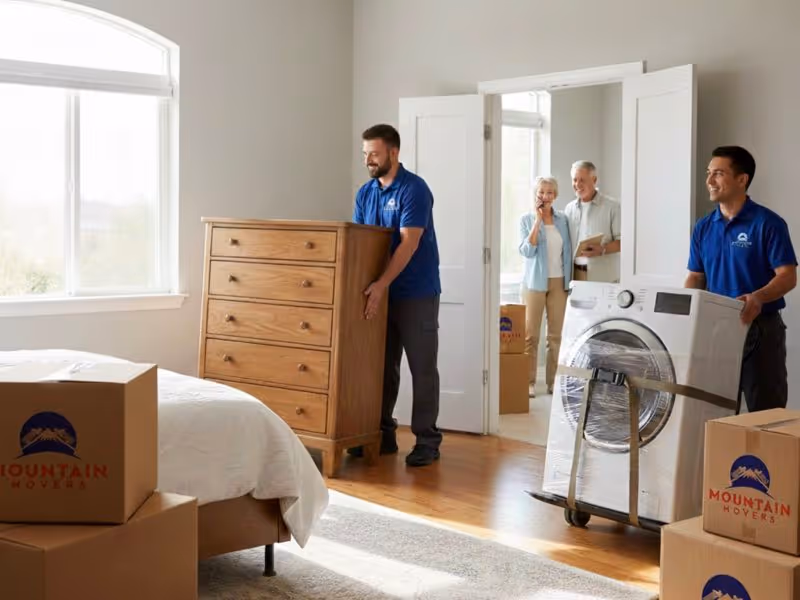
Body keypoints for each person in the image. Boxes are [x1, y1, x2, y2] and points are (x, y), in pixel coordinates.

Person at [349, 123, 442, 467]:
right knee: (381, 368)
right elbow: (361, 244)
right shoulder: (365, 193)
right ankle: (382, 435)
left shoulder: (414, 190)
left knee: (422, 368)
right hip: (380, 293)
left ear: (393, 152)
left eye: (373, 153)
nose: (368, 160)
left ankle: (427, 441)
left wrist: (381, 284)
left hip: (415, 293)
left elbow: (409, 243)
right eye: (364, 154)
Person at [685, 145, 797, 412]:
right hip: (715, 331)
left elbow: (788, 276)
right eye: (708, 173)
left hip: (761, 330)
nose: (709, 181)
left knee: (765, 413)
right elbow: (695, 277)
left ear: (742, 179)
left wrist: (758, 296)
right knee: (714, 410)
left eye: (718, 173)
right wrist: (685, 311)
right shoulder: (703, 226)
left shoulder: (768, 223)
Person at [518, 176, 572, 397]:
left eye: (549, 192)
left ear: (555, 196)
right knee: (531, 336)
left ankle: (552, 382)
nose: (545, 196)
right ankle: (529, 382)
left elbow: (567, 251)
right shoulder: (526, 219)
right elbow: (526, 251)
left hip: (559, 281)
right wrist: (537, 222)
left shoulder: (563, 220)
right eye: (541, 192)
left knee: (556, 336)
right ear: (536, 195)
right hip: (534, 282)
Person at [563, 161, 621, 282]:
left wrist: (602, 249)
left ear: (594, 180)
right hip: (577, 277)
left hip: (604, 278)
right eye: (574, 180)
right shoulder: (569, 209)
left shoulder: (613, 207)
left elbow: (623, 242)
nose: (577, 184)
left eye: (582, 180)